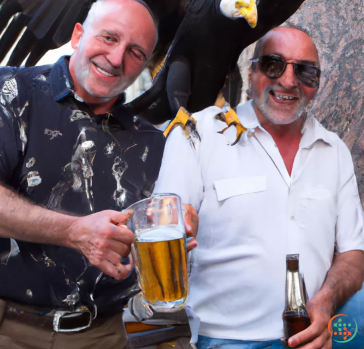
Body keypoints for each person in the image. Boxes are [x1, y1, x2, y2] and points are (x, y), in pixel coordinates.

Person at [0, 0, 169, 349]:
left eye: (135, 52)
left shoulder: (151, 140)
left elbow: (139, 237)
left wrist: (171, 232)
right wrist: (74, 232)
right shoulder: (7, 90)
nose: (116, 59)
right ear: (78, 35)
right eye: (109, 38)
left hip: (102, 333)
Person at [154, 27, 364, 348]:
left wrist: (325, 302)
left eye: (305, 71)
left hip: (310, 336)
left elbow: (353, 252)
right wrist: (176, 229)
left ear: (317, 84)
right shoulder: (197, 135)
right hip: (220, 340)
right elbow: (162, 229)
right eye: (273, 64)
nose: (289, 81)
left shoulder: (333, 150)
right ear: (251, 72)